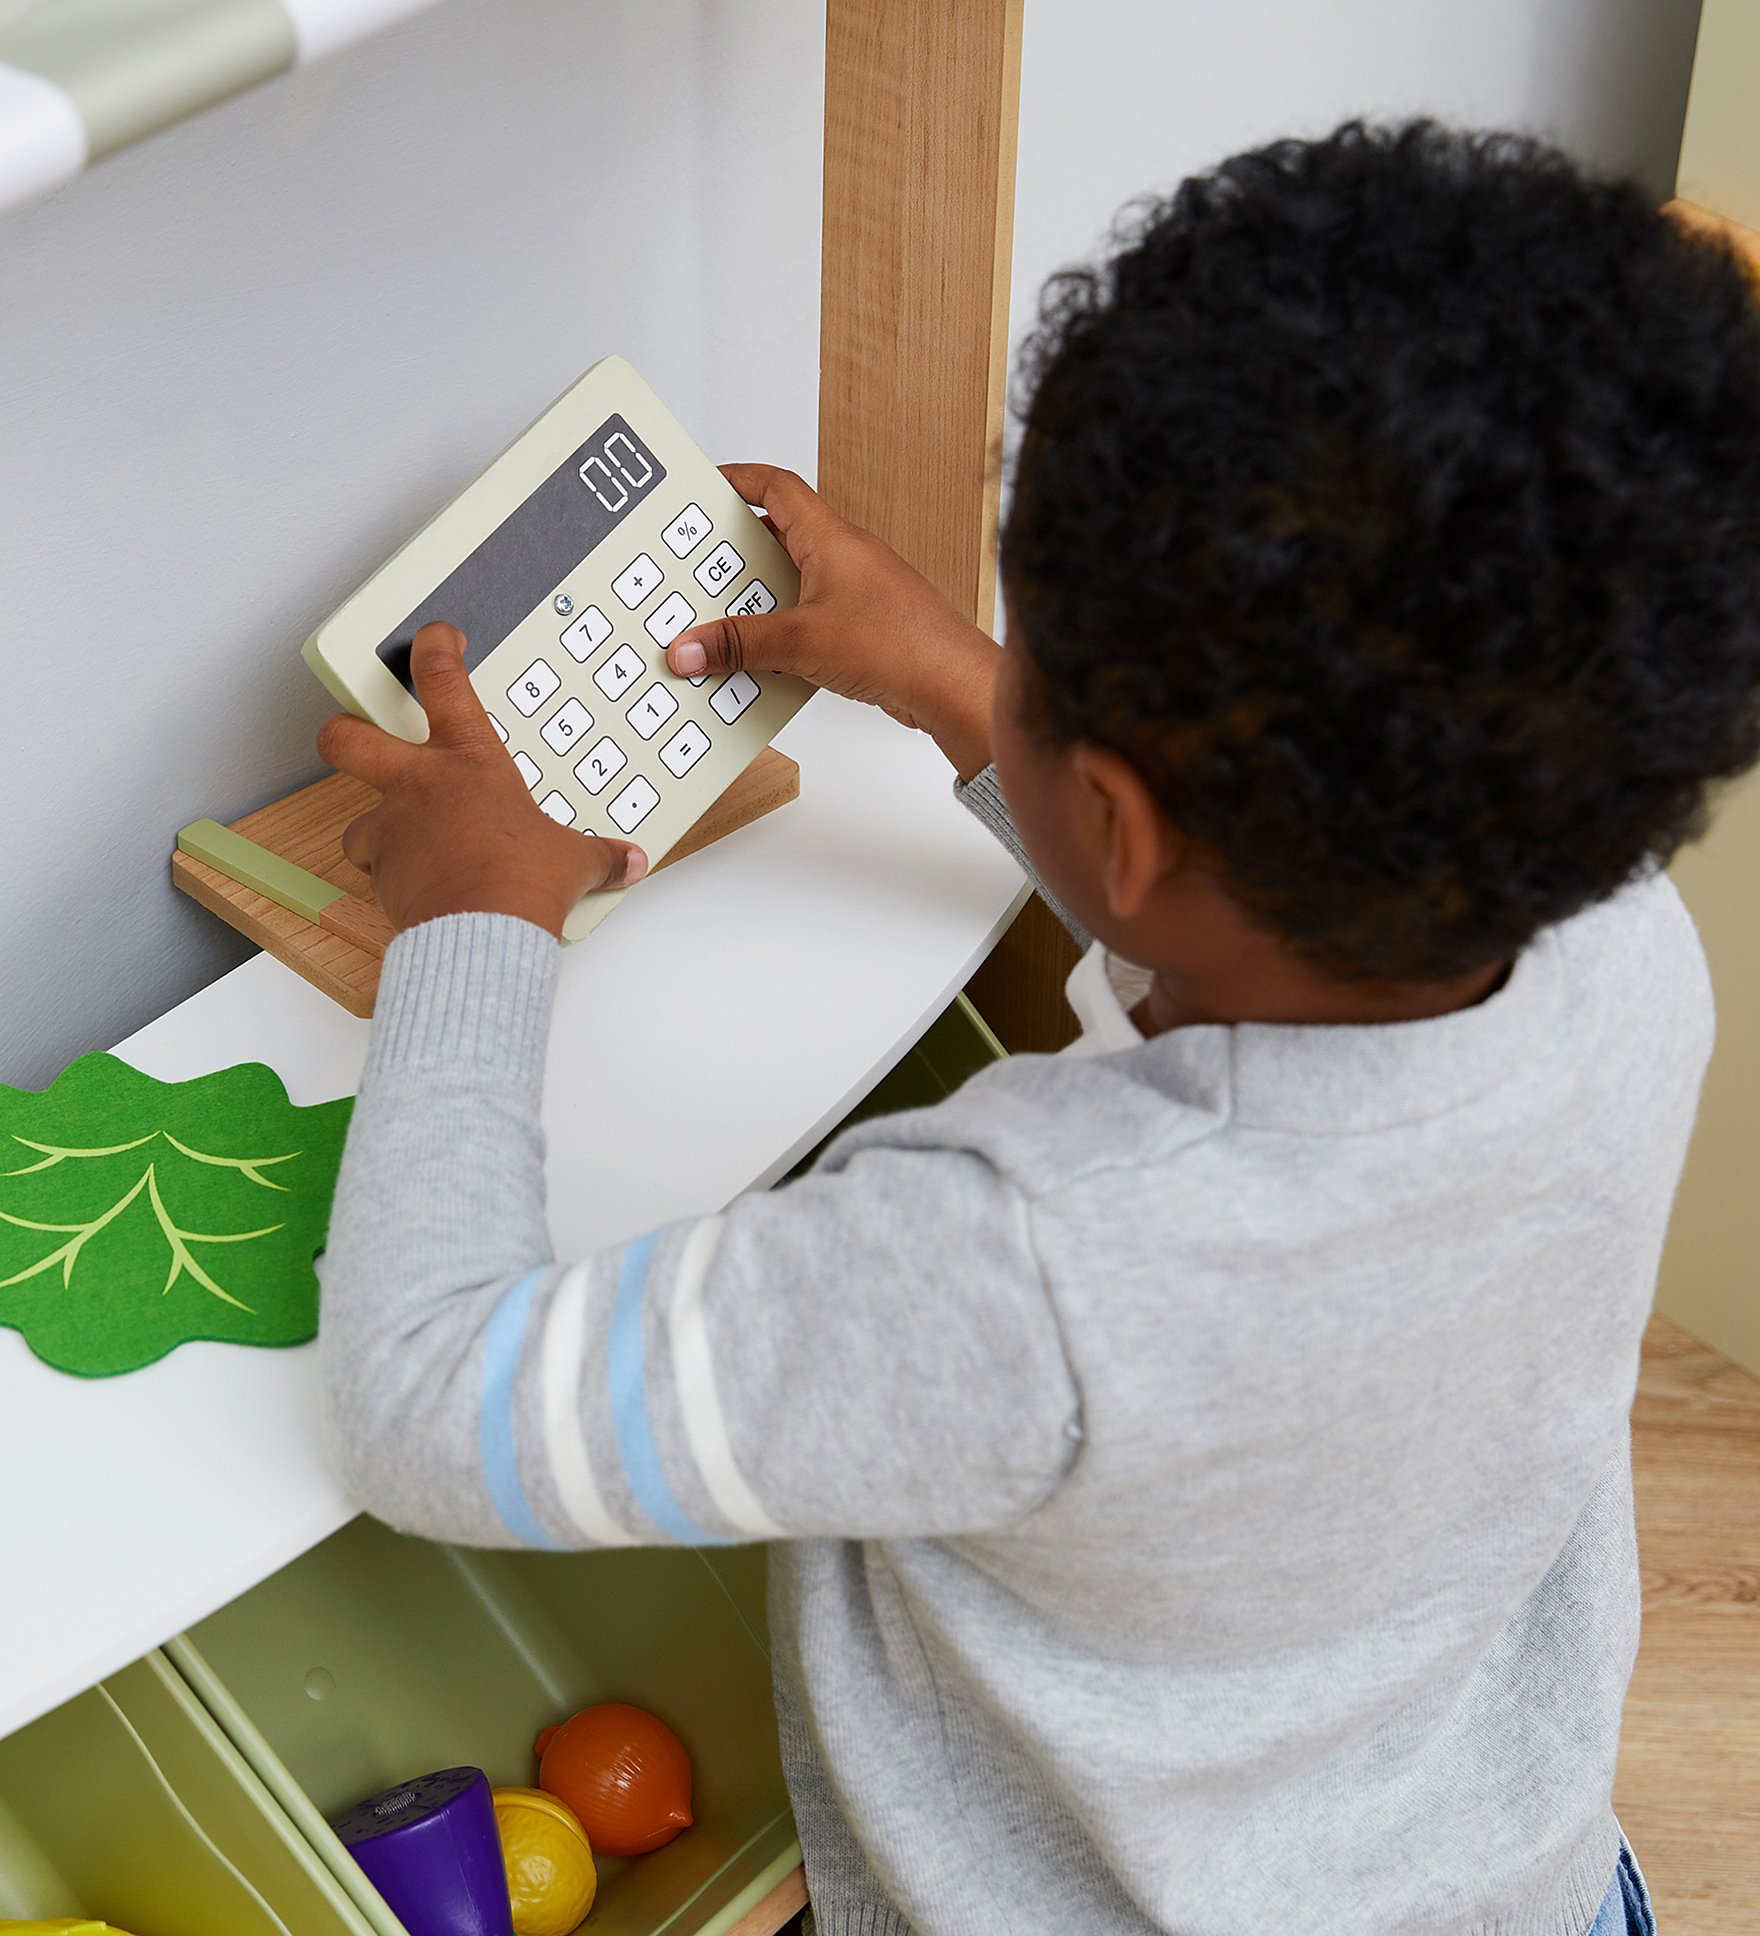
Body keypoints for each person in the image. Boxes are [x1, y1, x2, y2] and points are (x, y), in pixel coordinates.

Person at [314, 121, 1760, 1936]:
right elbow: (1288, 918)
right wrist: (949, 678)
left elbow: (426, 1405)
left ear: (1130, 823)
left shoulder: (1011, 1266)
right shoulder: (1622, 947)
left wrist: (475, 921)